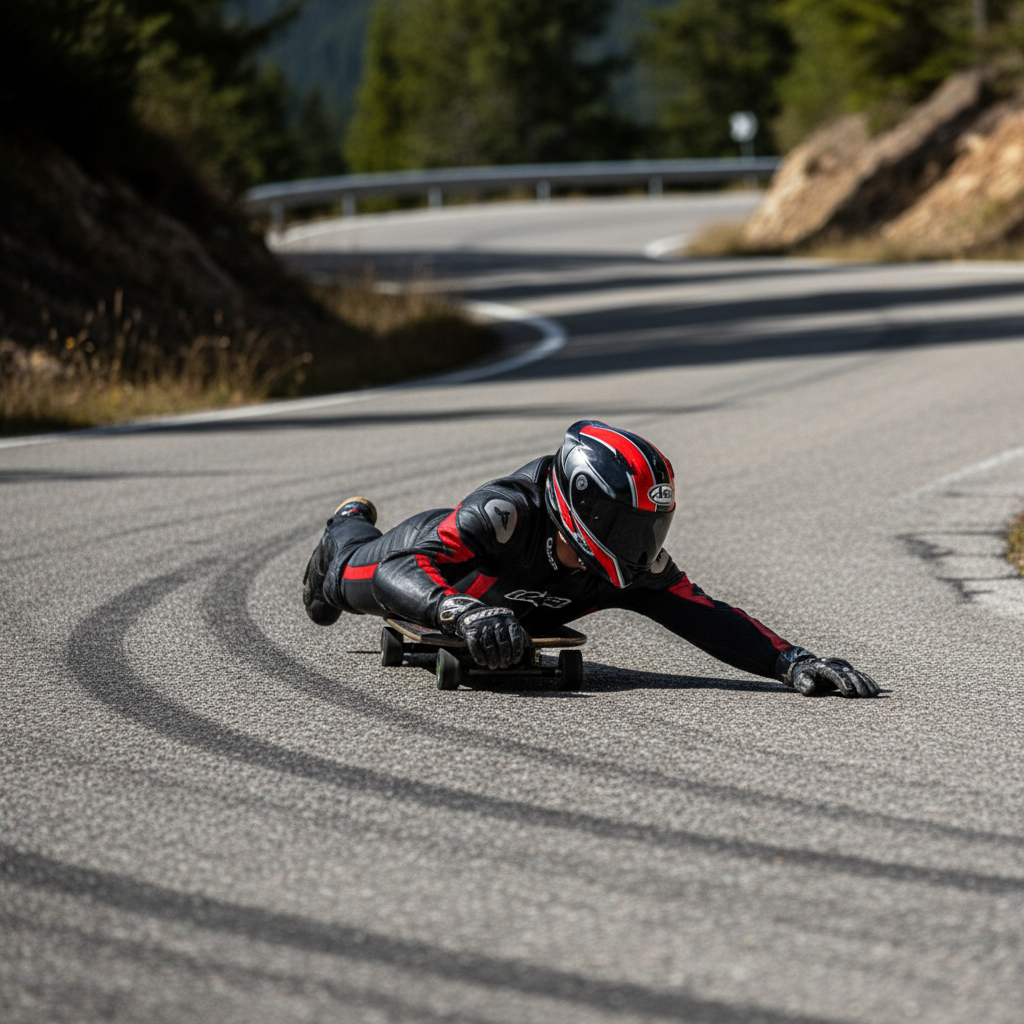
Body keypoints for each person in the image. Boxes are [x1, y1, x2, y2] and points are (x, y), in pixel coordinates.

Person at [302, 420, 879, 697]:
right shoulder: (503, 513)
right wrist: (461, 613)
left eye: (652, 527)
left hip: (491, 609)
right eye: (630, 526)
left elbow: (705, 612)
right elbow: (394, 573)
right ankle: (346, 521)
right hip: (427, 561)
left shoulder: (630, 567)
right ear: (582, 504)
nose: (642, 544)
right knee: (335, 587)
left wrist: (791, 661)